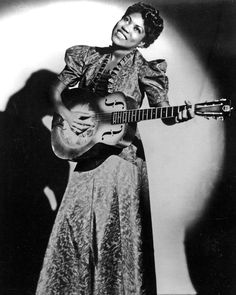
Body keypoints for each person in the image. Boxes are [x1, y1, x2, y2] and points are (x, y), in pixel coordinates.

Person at [36, 2, 193, 294]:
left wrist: (180, 115)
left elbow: (165, 112)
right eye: (126, 20)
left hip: (121, 162)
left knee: (115, 235)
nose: (127, 29)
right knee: (75, 228)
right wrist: (67, 115)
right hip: (87, 159)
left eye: (137, 29)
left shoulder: (146, 69)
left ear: (143, 41)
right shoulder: (86, 56)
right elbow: (56, 91)